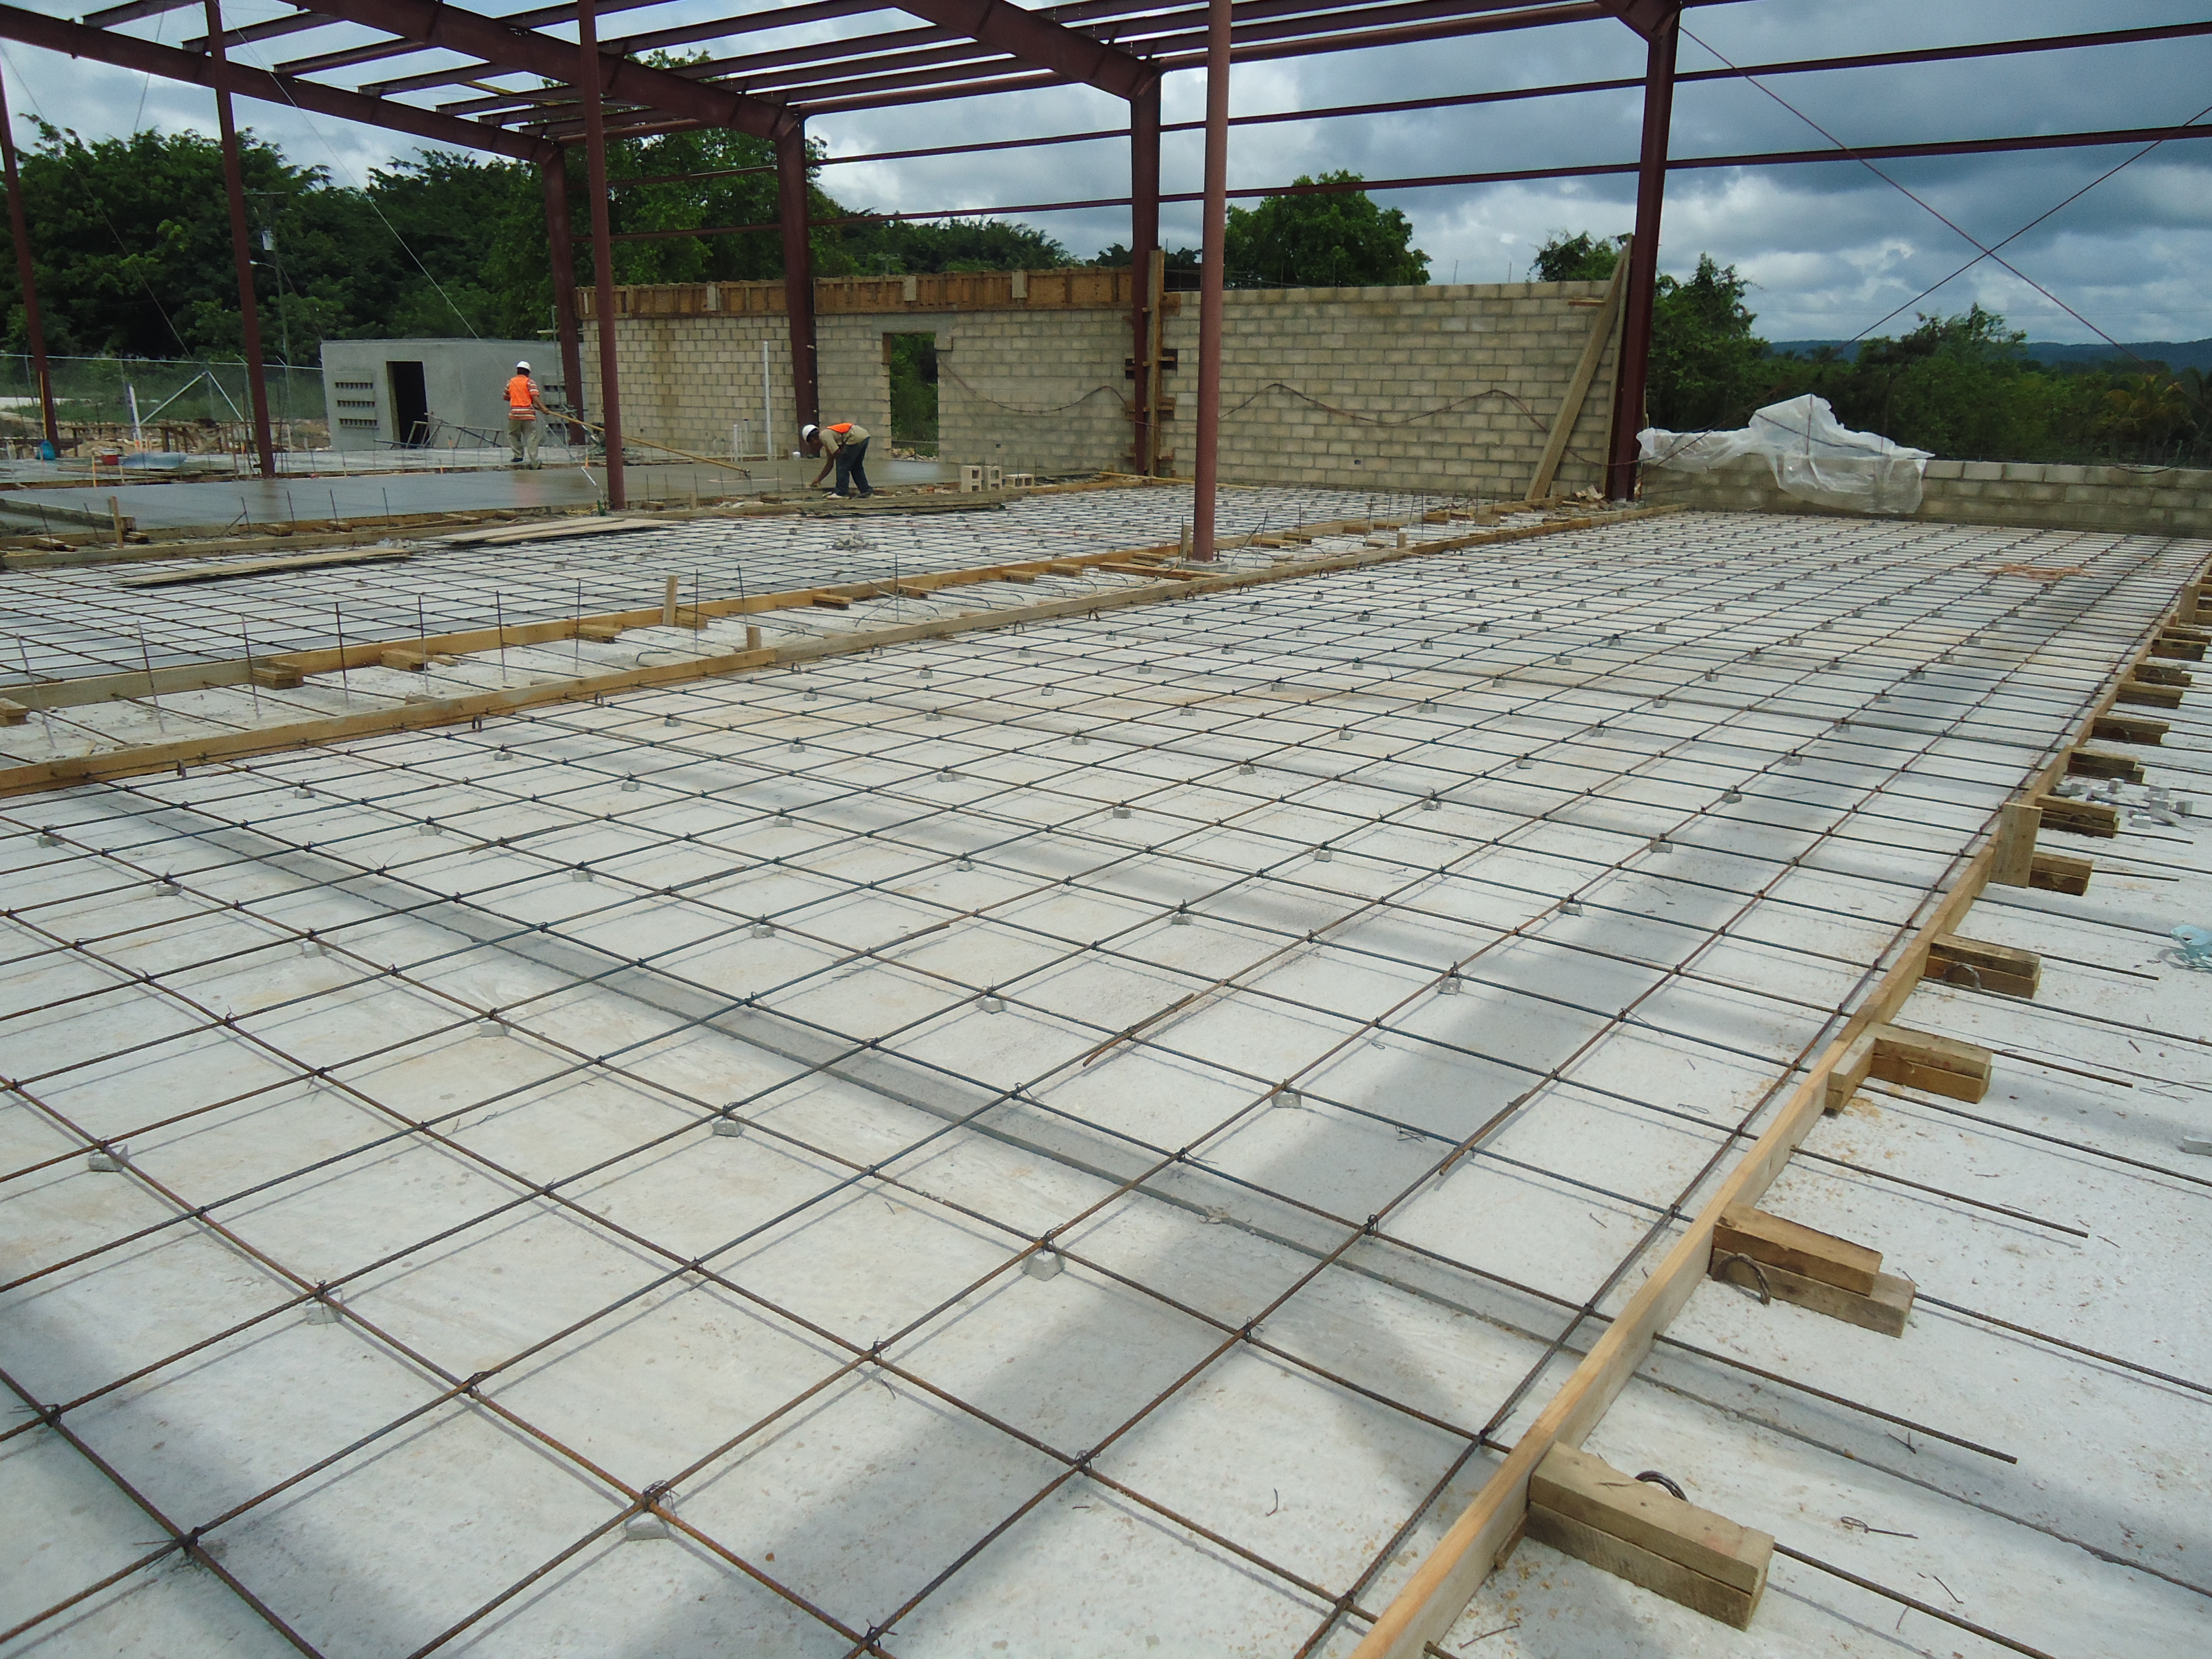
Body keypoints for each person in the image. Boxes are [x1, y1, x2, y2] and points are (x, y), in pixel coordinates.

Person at [803, 420, 874, 497]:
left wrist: (839, 460)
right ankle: (866, 491)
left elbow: (838, 454)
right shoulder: (828, 440)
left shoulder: (824, 435)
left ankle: (842, 492)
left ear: (813, 440)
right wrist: (818, 479)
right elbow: (830, 464)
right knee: (856, 467)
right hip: (864, 435)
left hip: (854, 436)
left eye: (811, 445)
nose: (812, 448)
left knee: (842, 464)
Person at [505, 360, 544, 467]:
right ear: (528, 373)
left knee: (513, 434)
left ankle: (518, 455)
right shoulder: (530, 383)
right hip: (528, 415)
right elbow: (535, 398)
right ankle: (534, 461)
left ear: (517, 371)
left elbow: (506, 396)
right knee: (532, 436)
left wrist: (516, 398)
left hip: (514, 414)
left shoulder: (510, 383)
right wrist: (544, 409)